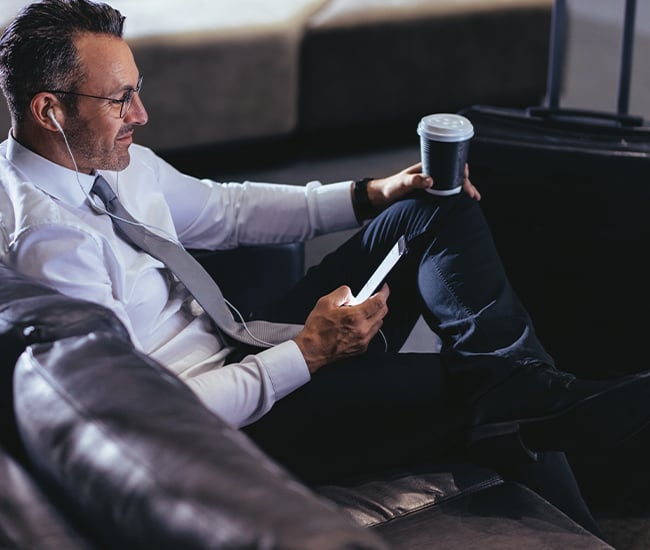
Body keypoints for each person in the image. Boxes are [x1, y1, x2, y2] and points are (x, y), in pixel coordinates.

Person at [1, 0, 649, 538]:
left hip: (239, 340)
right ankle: (551, 435)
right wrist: (308, 353)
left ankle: (532, 389)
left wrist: (370, 192)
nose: (140, 115)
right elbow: (158, 416)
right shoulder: (51, 248)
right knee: (484, 390)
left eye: (138, 90)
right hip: (231, 428)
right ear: (49, 110)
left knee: (430, 211)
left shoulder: (107, 161)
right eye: (120, 100)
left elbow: (227, 211)